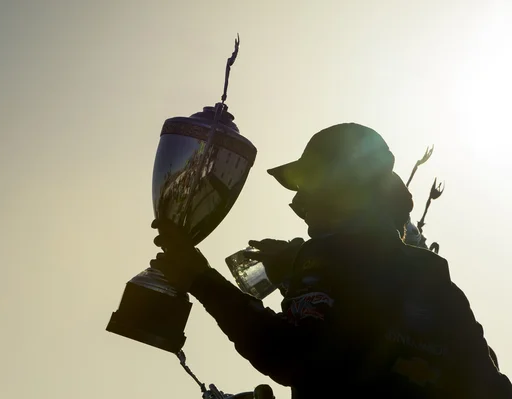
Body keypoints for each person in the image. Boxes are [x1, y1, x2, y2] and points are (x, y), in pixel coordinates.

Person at [151, 123, 512, 398]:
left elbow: (295, 354)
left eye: (308, 191)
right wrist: (296, 269)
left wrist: (201, 279)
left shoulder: (329, 257)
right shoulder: (436, 281)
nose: (301, 210)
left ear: (342, 191)